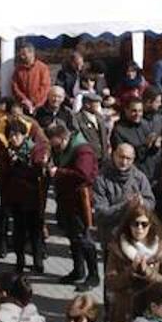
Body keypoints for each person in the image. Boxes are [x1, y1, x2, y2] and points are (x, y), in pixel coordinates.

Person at [105, 203, 162, 322]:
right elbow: (110, 282)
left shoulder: (161, 250)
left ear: (150, 225)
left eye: (144, 224)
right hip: (125, 312)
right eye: (135, 224)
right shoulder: (117, 249)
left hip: (151, 311)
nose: (139, 228)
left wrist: (147, 272)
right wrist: (130, 272)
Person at [46, 122, 100, 288]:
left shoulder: (82, 150)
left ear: (63, 138)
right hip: (67, 201)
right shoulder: (63, 148)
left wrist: (59, 172)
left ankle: (93, 275)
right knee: (73, 237)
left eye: (55, 143)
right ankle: (78, 271)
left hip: (80, 203)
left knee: (84, 239)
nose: (54, 147)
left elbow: (83, 175)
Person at [0, 118, 48, 273]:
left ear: (24, 135)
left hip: (33, 198)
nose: (14, 138)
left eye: (17, 135)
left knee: (35, 231)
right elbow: (2, 173)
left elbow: (37, 172)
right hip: (14, 198)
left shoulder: (34, 150)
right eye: (11, 135)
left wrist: (18, 166)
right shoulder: (6, 152)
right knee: (19, 231)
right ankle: (20, 261)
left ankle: (38, 262)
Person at [92, 142, 156, 249]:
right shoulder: (102, 179)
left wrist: (142, 203)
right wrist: (125, 206)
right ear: (114, 155)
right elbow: (100, 213)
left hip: (136, 238)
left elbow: (151, 203)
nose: (124, 162)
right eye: (121, 157)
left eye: (128, 158)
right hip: (112, 239)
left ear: (133, 159)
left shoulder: (139, 178)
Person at [10, 42, 51, 114]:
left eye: (24, 54)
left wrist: (32, 101)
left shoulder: (42, 68)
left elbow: (45, 87)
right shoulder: (18, 69)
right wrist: (24, 99)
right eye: (21, 54)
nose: (22, 56)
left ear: (32, 53)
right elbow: (15, 86)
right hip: (23, 105)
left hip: (40, 106)